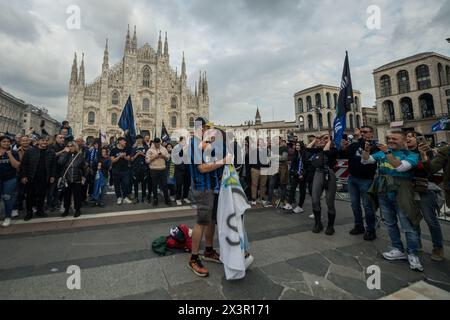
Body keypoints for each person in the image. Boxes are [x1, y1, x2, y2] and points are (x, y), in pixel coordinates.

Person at [362, 131, 423, 272]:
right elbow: (366, 160)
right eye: (388, 138)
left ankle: (413, 253)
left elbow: (400, 167)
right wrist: (366, 150)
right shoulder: (382, 153)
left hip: (402, 193)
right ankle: (397, 248)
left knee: (408, 225)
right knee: (390, 223)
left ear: (403, 141)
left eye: (394, 139)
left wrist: (387, 152)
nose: (390, 140)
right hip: (383, 192)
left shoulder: (411, 155)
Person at [188, 117, 232, 277]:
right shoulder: (193, 144)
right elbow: (202, 168)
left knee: (211, 221)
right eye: (207, 128)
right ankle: (193, 258)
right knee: (201, 222)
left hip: (213, 187)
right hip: (202, 187)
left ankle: (208, 250)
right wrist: (222, 161)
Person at [339, 127, 378, 241]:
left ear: (371, 134)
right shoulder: (355, 145)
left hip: (366, 179)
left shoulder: (375, 146)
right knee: (354, 205)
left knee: (368, 206)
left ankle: (370, 229)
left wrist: (361, 142)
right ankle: (358, 225)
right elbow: (345, 155)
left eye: (365, 132)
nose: (362, 133)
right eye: (361, 132)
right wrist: (343, 147)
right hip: (353, 178)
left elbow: (369, 159)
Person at [413, 133, 445, 262]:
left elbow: (431, 169)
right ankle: (416, 243)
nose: (408, 138)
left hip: (426, 189)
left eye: (412, 136)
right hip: (411, 189)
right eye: (407, 136)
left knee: (430, 220)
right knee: (413, 219)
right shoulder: (405, 153)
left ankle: (438, 248)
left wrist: (424, 155)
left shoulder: (429, 153)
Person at [307, 134, 338, 235]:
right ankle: (318, 223)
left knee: (330, 202)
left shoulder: (334, 150)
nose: (323, 140)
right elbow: (307, 148)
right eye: (322, 138)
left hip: (330, 174)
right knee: (315, 200)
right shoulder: (318, 150)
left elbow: (326, 151)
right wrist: (315, 140)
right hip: (318, 173)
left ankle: (330, 226)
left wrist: (329, 141)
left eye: (326, 138)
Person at [19, 135, 56, 221]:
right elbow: (24, 164)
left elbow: (53, 165)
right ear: (38, 141)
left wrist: (52, 176)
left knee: (42, 195)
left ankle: (40, 210)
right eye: (43, 140)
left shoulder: (51, 152)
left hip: (44, 177)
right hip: (32, 176)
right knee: (30, 195)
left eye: (46, 140)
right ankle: (29, 212)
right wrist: (23, 176)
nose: (44, 142)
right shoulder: (30, 151)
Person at [59, 142, 87, 218]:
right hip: (67, 179)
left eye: (72, 146)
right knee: (66, 195)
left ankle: (77, 210)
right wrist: (65, 153)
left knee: (77, 195)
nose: (70, 147)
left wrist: (83, 177)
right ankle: (66, 209)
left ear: (75, 147)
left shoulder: (79, 155)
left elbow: (80, 165)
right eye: (68, 146)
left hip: (77, 178)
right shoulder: (65, 155)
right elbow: (60, 162)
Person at [0, 136, 21, 227]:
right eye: (4, 141)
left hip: (10, 178)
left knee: (7, 197)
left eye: (8, 141)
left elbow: (16, 166)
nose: (6, 143)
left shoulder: (14, 152)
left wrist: (9, 154)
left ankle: (8, 217)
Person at [146, 138, 171, 207]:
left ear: (160, 142)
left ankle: (167, 199)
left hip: (162, 169)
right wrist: (155, 157)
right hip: (153, 170)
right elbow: (147, 161)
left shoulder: (164, 149)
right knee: (154, 185)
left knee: (164, 185)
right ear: (154, 143)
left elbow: (168, 158)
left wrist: (163, 156)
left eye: (159, 143)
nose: (157, 144)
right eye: (156, 143)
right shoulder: (150, 150)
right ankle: (155, 199)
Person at [283, 142, 306, 214]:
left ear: (301, 146)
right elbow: (293, 165)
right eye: (296, 145)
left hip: (303, 175)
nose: (297, 146)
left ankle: (300, 206)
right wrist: (294, 173)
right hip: (296, 174)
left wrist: (302, 174)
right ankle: (289, 203)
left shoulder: (304, 154)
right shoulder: (295, 154)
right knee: (292, 188)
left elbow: (306, 166)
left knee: (302, 191)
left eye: (299, 145)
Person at [110, 137, 133, 205]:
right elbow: (112, 160)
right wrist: (119, 156)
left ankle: (125, 197)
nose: (125, 142)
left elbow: (129, 159)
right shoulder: (114, 150)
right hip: (116, 170)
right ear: (120, 141)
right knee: (117, 185)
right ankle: (119, 197)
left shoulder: (126, 149)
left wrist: (124, 157)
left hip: (125, 170)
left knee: (125, 184)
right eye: (124, 141)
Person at [173, 137, 191, 206]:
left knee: (187, 183)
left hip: (187, 167)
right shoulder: (176, 147)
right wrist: (181, 151)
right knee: (179, 184)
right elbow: (174, 156)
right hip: (179, 168)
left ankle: (185, 197)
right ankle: (178, 198)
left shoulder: (188, 147)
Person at [131, 135, 149, 203]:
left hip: (144, 169)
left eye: (140, 139)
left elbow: (148, 157)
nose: (139, 140)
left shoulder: (146, 147)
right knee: (135, 184)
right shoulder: (134, 148)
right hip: (136, 169)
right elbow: (131, 159)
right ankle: (136, 197)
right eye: (137, 139)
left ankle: (144, 197)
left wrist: (142, 154)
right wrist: (137, 154)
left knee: (144, 183)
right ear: (136, 140)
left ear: (142, 139)